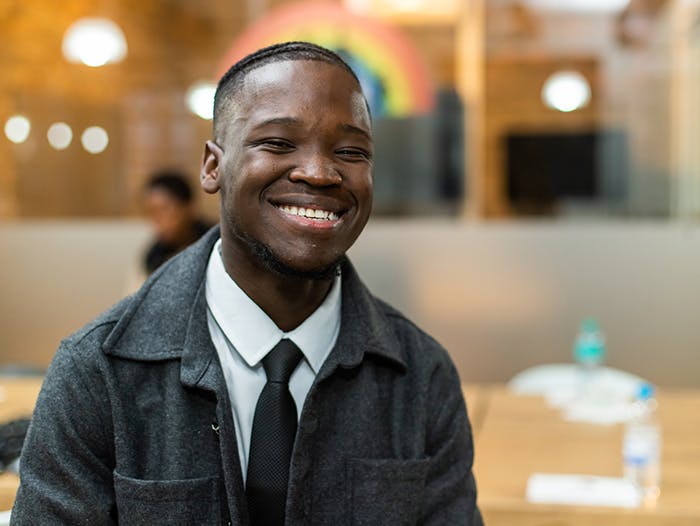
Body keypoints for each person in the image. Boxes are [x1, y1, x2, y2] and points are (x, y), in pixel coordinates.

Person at [12, 42, 482, 525]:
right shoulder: (98, 372)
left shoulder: (422, 376)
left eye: (351, 151)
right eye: (278, 143)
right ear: (213, 167)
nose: (320, 173)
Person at [142, 170, 212, 274]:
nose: (157, 220)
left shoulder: (217, 242)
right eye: (152, 212)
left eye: (164, 209)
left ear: (188, 206)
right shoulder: (154, 257)